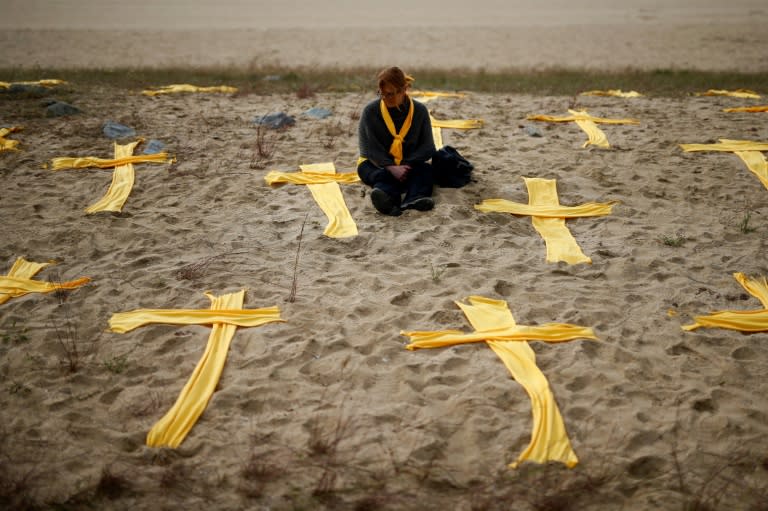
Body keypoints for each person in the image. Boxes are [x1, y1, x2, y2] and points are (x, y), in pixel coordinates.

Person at [357, 67, 436, 216]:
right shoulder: (370, 111)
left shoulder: (420, 111)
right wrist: (391, 167)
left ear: (404, 89)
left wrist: (406, 165)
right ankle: (388, 200)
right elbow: (369, 149)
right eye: (383, 94)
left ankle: (413, 199)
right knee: (378, 173)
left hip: (409, 165)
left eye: (391, 94)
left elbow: (428, 147)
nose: (386, 98)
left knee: (426, 170)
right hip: (377, 164)